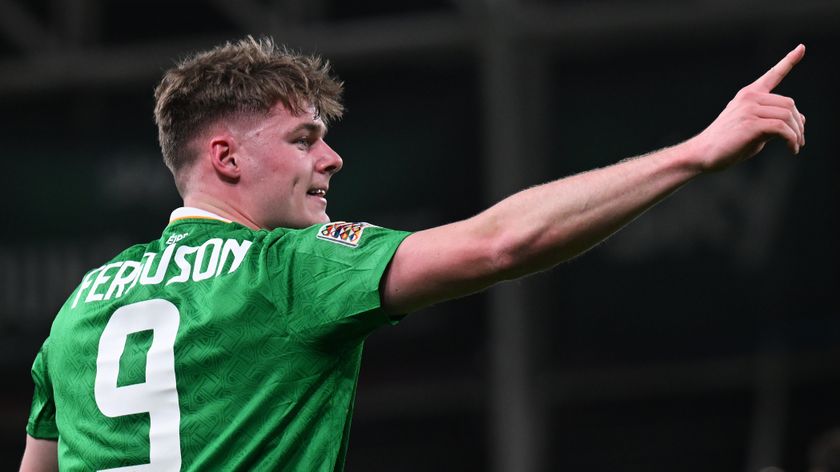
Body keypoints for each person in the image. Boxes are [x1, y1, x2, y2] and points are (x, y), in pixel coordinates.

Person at [19, 36, 806, 471]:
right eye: (304, 140)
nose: (331, 160)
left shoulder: (79, 310)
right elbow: (503, 242)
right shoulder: (289, 268)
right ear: (226, 159)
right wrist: (694, 156)